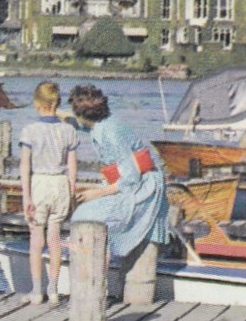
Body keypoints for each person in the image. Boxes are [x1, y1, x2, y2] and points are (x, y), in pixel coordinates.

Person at [68, 83, 169, 281]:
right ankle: (98, 273)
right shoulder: (104, 124)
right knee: (86, 213)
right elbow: (80, 125)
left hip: (144, 188)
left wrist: (95, 193)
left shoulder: (110, 132)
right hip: (135, 184)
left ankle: (95, 279)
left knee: (85, 214)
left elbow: (130, 178)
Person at [19, 81, 79, 304]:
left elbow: (25, 165)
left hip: (40, 184)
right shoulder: (68, 131)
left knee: (36, 240)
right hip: (60, 183)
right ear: (57, 102)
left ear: (37, 103)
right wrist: (71, 192)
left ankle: (37, 290)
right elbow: (73, 166)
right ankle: (53, 289)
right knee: (54, 239)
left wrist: (26, 196)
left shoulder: (30, 131)